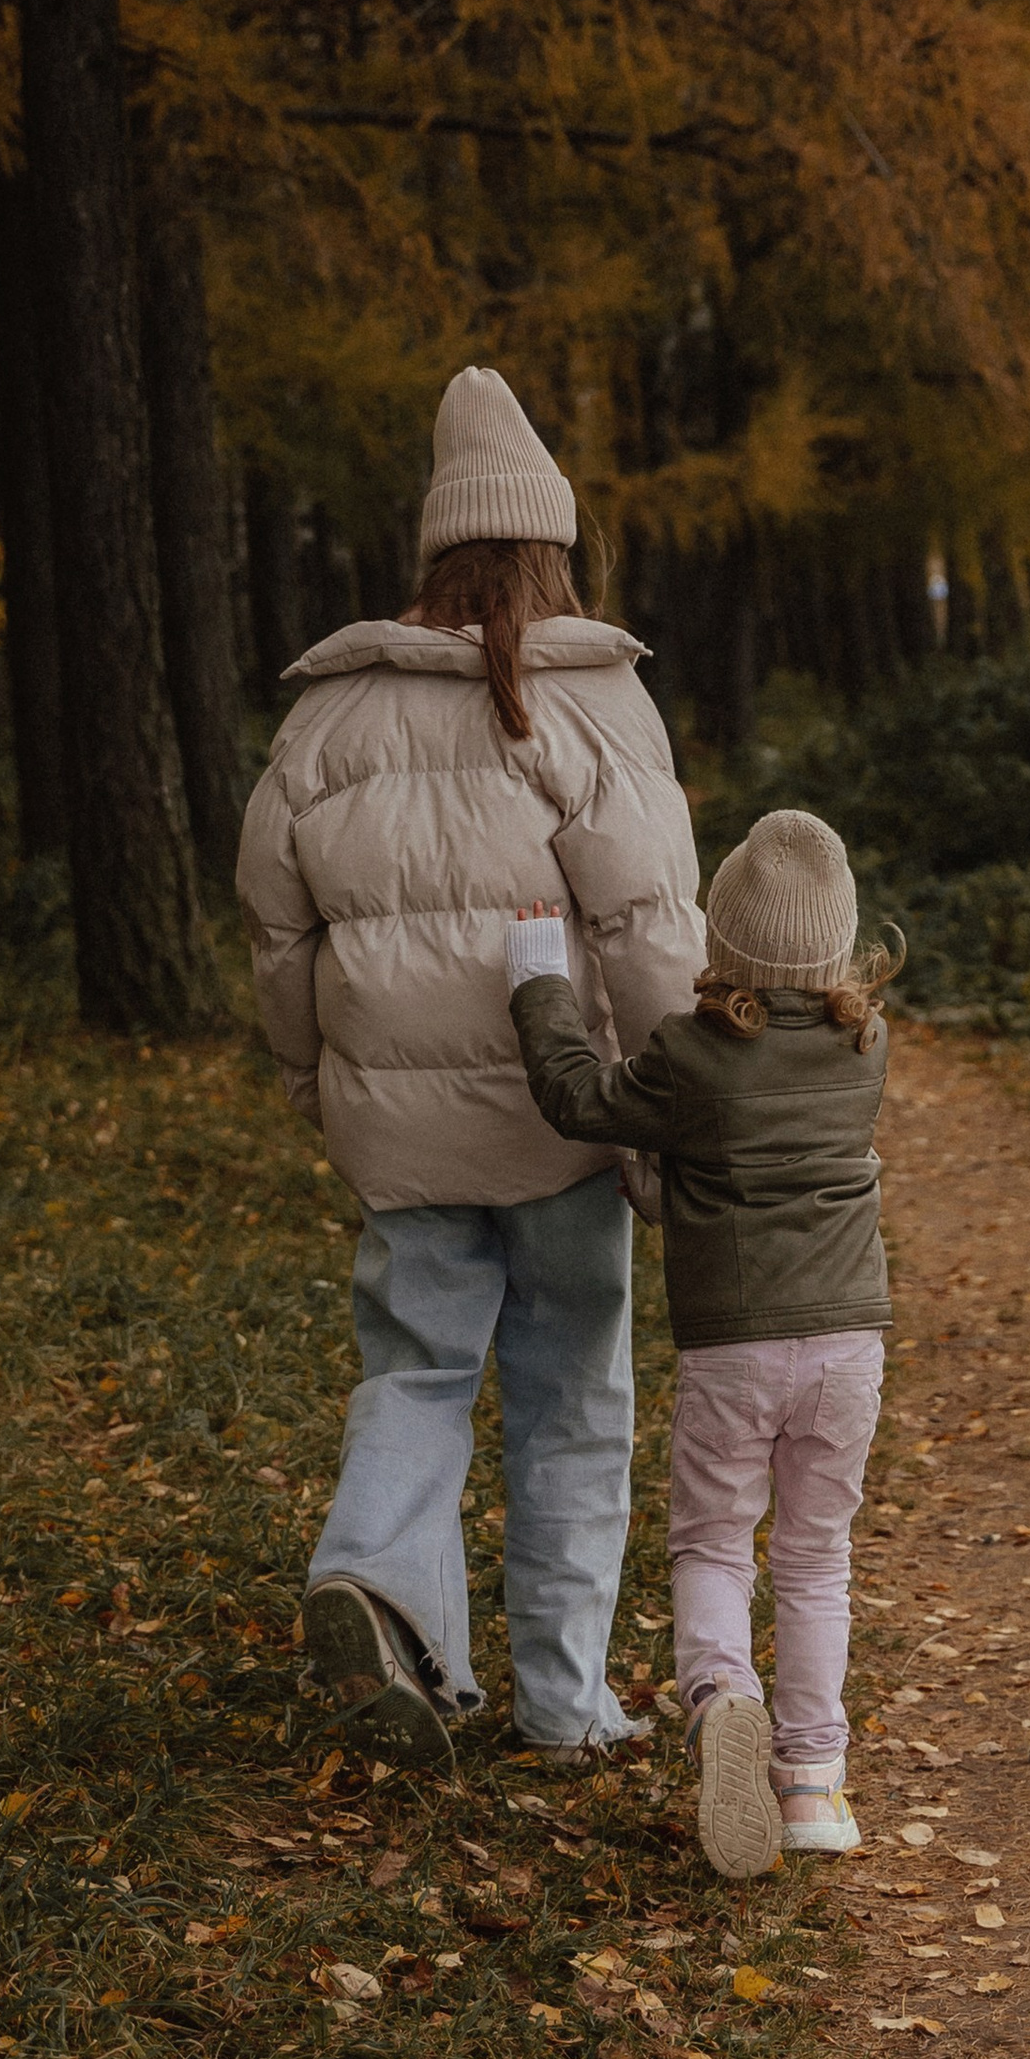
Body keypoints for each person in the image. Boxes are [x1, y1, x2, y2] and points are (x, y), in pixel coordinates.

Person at [237, 367, 704, 1766]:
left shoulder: (329, 715)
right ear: (553, 547)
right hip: (564, 1131)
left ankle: (377, 1577)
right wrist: (671, 1120)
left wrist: (313, 1080)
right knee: (573, 1402)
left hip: (404, 1141)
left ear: (432, 551)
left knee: (419, 1371)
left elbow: (276, 933)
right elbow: (652, 933)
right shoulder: (594, 703)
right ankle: (565, 1707)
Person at [505, 808, 892, 1877]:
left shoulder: (692, 1056)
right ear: (840, 944)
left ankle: (723, 1697)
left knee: (715, 1541)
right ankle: (813, 1785)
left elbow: (581, 1100)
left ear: (721, 942)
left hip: (735, 1349)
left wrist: (541, 981)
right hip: (849, 1346)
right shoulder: (868, 1047)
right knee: (817, 1559)